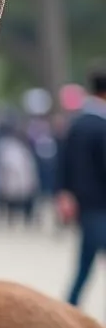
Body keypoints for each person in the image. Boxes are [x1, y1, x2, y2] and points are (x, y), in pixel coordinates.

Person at [58, 68, 106, 308]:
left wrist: (65, 192)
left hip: (85, 202)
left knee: (86, 262)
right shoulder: (99, 125)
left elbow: (64, 161)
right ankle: (70, 306)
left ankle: (70, 305)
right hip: (99, 203)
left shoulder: (77, 123)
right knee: (87, 260)